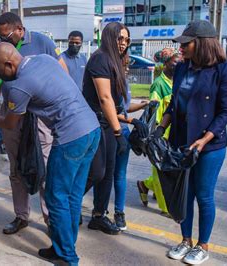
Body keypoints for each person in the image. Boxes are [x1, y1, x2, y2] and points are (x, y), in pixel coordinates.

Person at [0, 42, 100, 264]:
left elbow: (9, 123)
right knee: (72, 195)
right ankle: (62, 246)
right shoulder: (43, 59)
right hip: (92, 130)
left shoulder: (20, 85)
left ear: (9, 64)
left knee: (56, 197)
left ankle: (67, 258)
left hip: (70, 138)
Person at [153, 20, 227, 265]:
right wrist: (160, 128)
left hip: (209, 146)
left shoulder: (222, 70)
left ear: (201, 44)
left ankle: (203, 245)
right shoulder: (181, 68)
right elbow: (174, 104)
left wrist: (204, 139)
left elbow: (226, 111)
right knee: (184, 194)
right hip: (181, 143)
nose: (181, 49)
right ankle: (186, 240)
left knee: (204, 195)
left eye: (186, 44)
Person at [0, 12, 68, 235]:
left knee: (43, 166)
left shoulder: (43, 42)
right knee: (16, 168)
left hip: (39, 115)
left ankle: (50, 219)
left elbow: (64, 74)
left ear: (20, 29)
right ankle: (21, 216)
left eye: (6, 36)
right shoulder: (0, 50)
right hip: (11, 113)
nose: (3, 42)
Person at [82, 22, 147, 235]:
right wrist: (119, 132)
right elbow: (104, 98)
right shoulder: (100, 59)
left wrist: (130, 121)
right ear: (110, 37)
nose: (124, 43)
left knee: (108, 172)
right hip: (94, 124)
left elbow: (116, 105)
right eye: (121, 39)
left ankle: (98, 216)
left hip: (108, 124)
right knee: (96, 172)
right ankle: (63, 208)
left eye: (127, 40)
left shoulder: (115, 62)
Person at [137, 48, 181, 217]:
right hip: (160, 134)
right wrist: (156, 133)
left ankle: (145, 185)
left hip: (174, 133)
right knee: (160, 170)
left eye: (178, 62)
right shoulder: (159, 84)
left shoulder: (177, 81)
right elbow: (153, 109)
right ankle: (165, 207)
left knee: (168, 170)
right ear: (165, 64)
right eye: (173, 62)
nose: (176, 65)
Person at [110, 54, 149, 231]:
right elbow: (109, 110)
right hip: (109, 132)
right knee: (100, 174)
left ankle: (119, 212)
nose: (127, 68)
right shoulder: (110, 81)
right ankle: (97, 210)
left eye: (128, 65)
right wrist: (133, 121)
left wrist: (143, 105)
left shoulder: (124, 81)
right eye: (124, 65)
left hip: (123, 133)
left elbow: (124, 109)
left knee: (120, 174)